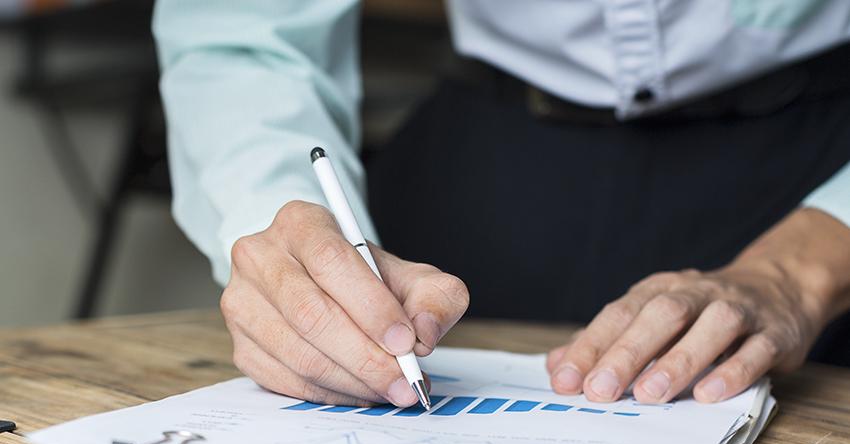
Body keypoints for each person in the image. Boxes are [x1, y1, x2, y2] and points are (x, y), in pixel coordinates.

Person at [153, 0, 850, 409]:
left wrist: (802, 270)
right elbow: (243, 32)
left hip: (820, 159)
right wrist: (288, 228)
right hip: (494, 145)